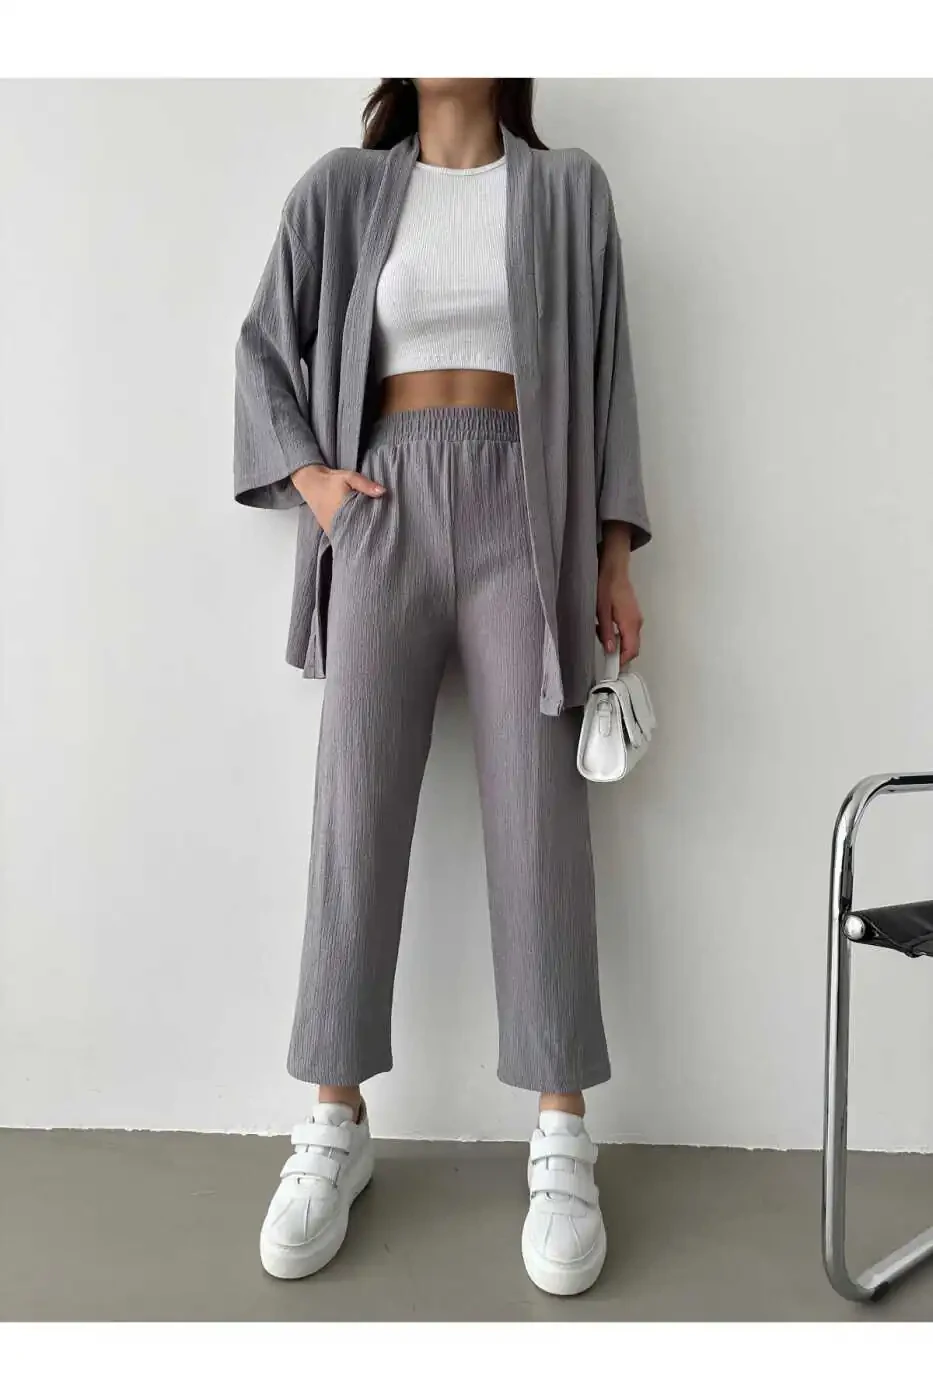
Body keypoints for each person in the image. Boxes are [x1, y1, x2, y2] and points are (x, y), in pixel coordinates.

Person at [233, 77, 651, 1297]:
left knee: (540, 816)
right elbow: (261, 347)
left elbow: (610, 376)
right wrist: (315, 484)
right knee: (355, 812)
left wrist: (613, 554)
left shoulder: (568, 191)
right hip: (384, 506)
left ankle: (562, 1133)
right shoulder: (341, 189)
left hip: (529, 510)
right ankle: (335, 1119)